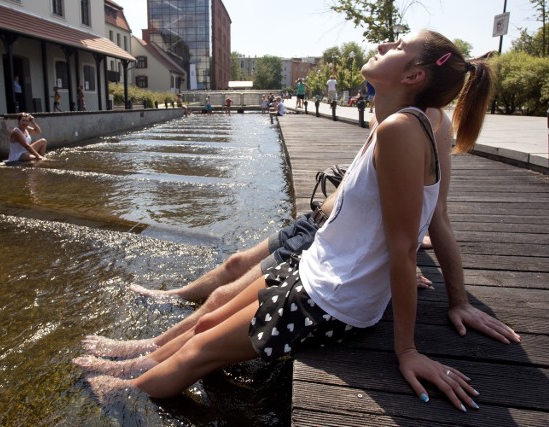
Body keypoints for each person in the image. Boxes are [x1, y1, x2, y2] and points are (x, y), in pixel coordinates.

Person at [76, 31, 519, 410]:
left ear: (413, 76)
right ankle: (136, 361)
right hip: (316, 267)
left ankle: (123, 392)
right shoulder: (400, 120)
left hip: (330, 298)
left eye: (398, 45)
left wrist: (407, 350)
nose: (384, 43)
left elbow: (405, 249)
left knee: (197, 354)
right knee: (209, 321)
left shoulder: (401, 129)